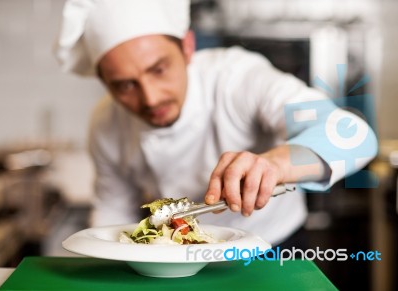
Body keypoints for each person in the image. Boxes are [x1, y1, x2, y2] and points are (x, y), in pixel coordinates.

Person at [54, 0, 377, 246]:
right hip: (175, 253)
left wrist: (274, 165)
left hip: (270, 246)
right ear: (105, 83)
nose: (150, 98)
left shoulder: (237, 78)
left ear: (188, 47)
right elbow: (114, 211)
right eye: (124, 85)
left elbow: (353, 136)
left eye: (159, 69)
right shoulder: (106, 123)